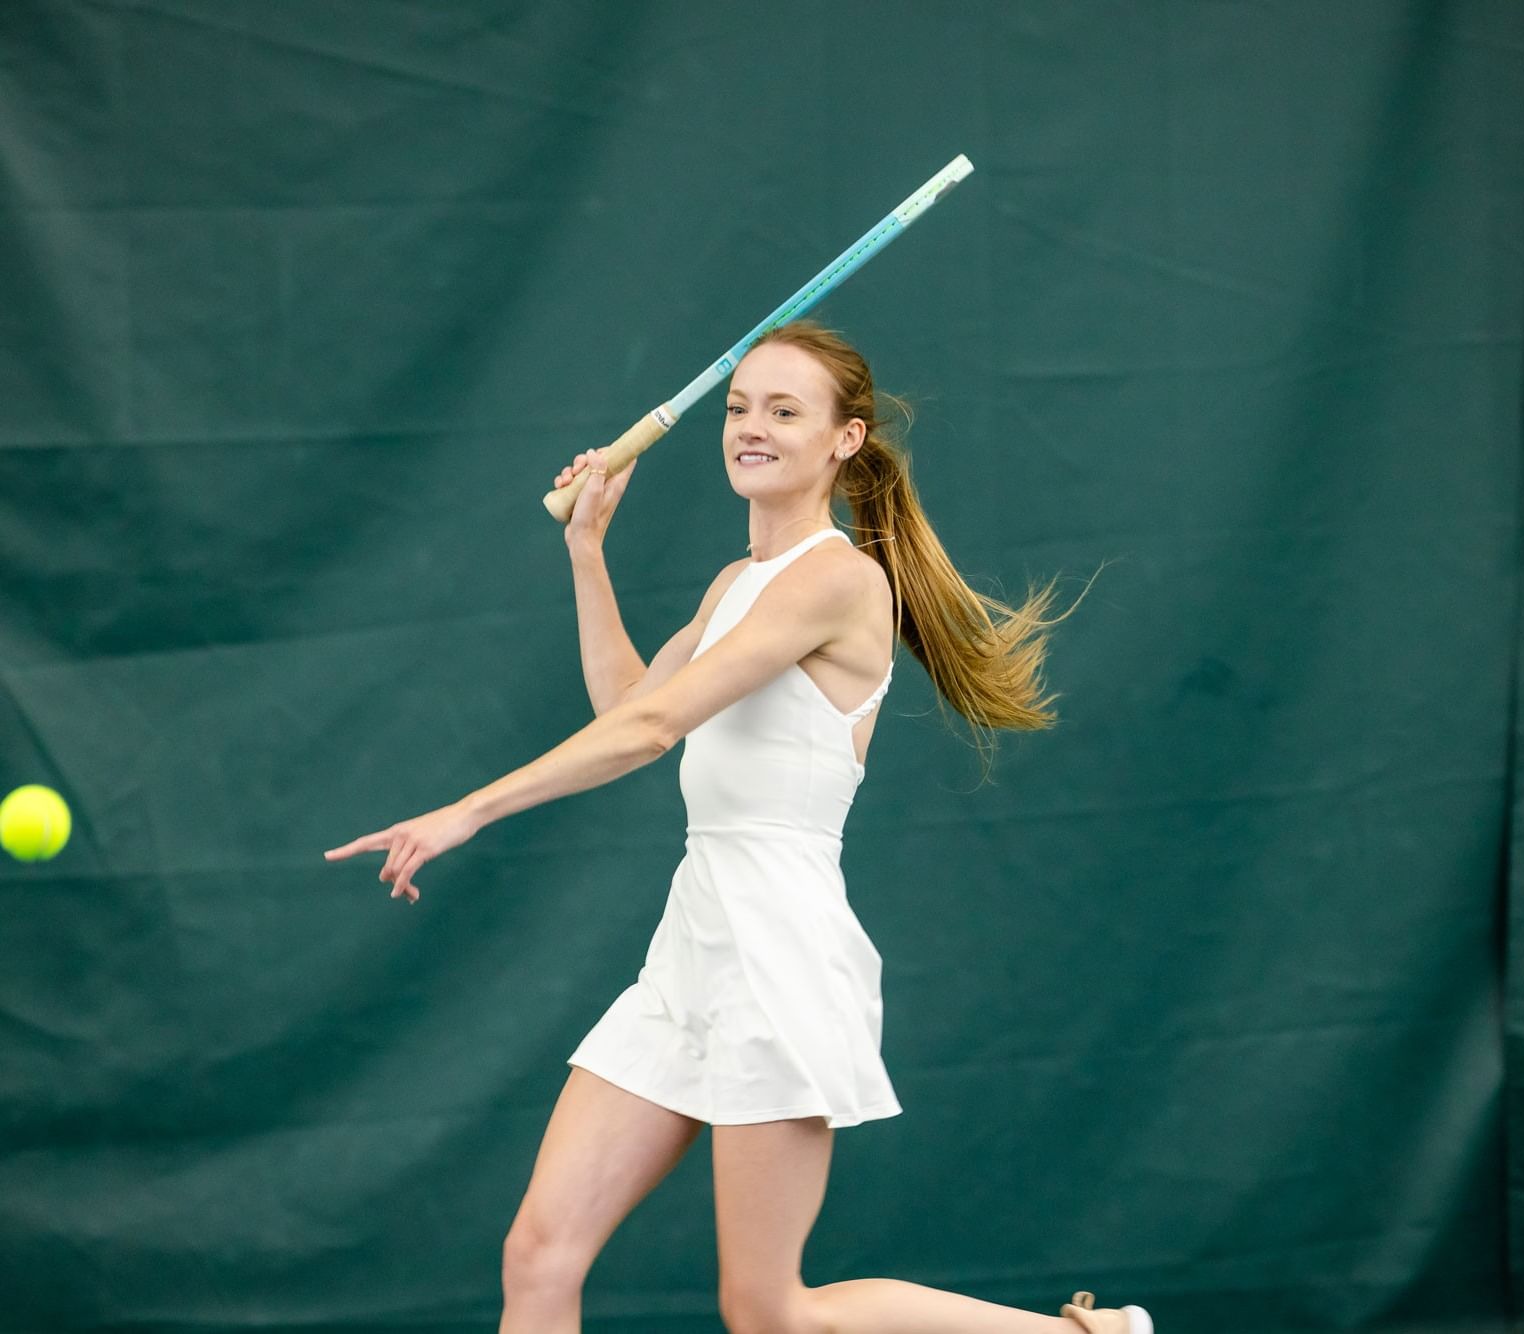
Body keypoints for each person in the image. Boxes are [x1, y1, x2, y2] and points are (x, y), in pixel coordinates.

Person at [324, 321, 1148, 1334]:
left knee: (769, 1311)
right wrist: (588, 551)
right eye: (739, 407)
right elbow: (632, 710)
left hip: (780, 947)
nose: (751, 428)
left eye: (784, 410)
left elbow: (653, 724)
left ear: (845, 441)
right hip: (693, 943)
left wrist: (470, 809)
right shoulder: (733, 583)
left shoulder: (841, 580)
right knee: (539, 1255)